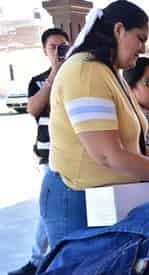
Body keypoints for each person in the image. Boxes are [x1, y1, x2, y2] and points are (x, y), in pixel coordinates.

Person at [40, 0, 149, 249]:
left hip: (107, 199)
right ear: (118, 30)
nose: (143, 47)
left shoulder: (108, 72)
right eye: (140, 38)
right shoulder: (85, 71)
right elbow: (109, 155)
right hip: (76, 200)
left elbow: (133, 145)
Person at [8, 28, 69, 275]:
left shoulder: (78, 75)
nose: (58, 51)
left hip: (75, 155)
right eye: (53, 47)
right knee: (49, 209)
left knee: (59, 211)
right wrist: (54, 73)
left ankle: (48, 260)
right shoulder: (38, 80)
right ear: (45, 51)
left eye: (63, 46)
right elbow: (33, 109)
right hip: (49, 155)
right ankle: (38, 260)